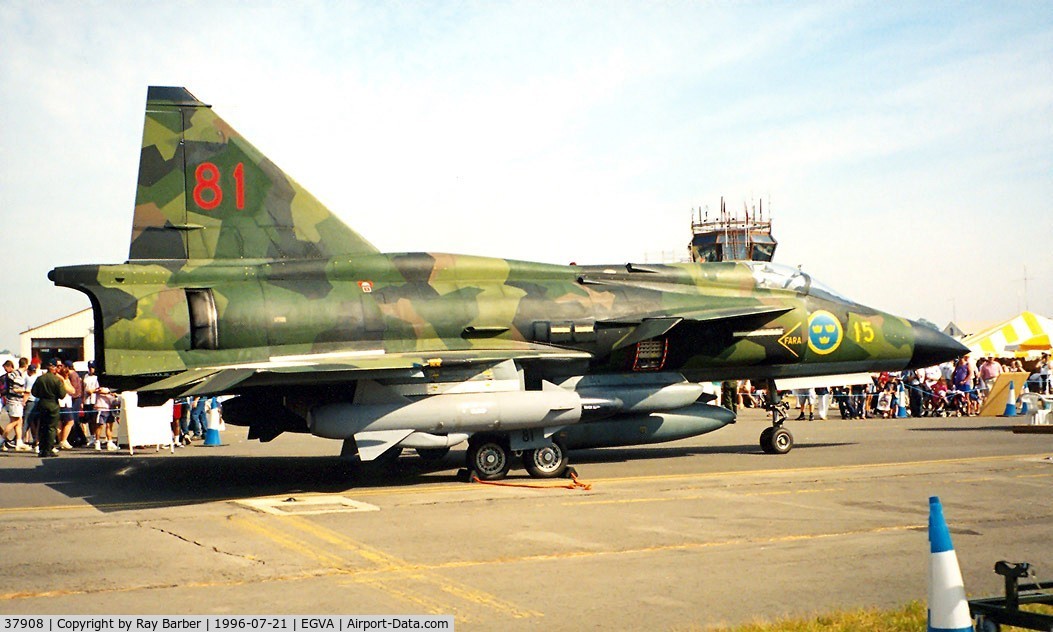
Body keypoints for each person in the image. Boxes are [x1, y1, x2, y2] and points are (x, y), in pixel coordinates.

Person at [31, 358, 74, 458]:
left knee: (42, 427)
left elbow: (34, 392)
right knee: (51, 428)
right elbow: (62, 395)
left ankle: (42, 449)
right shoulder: (56, 380)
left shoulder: (40, 378)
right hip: (53, 405)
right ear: (54, 368)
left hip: (42, 404)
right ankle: (49, 449)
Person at [2, 359, 31, 451]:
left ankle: (19, 442)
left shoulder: (18, 374)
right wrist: (26, 391)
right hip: (14, 401)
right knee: (15, 421)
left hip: (15, 400)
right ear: (26, 365)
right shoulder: (17, 375)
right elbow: (15, 389)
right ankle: (2, 439)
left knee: (19, 421)